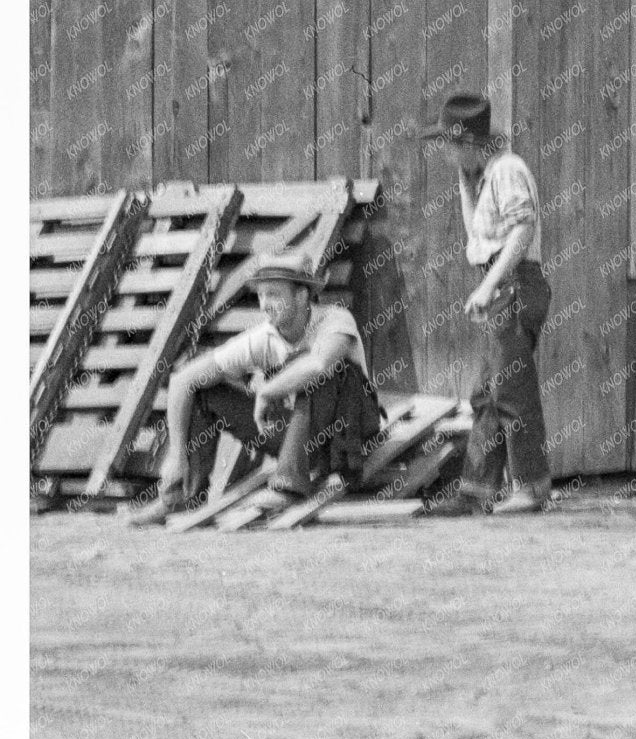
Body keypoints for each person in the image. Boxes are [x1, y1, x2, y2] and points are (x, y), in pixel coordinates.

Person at [126, 250, 383, 524]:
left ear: (302, 295)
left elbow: (319, 365)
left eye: (274, 294)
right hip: (299, 441)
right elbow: (183, 381)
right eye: (261, 295)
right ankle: (180, 498)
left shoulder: (335, 320)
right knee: (204, 390)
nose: (264, 305)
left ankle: (288, 487)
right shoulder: (265, 337)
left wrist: (267, 390)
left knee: (330, 371)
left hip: (347, 436)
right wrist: (177, 456)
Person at [430, 93, 556, 517]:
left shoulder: (507, 169)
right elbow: (476, 240)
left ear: (465, 142)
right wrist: (466, 185)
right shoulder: (483, 175)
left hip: (515, 285)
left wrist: (489, 287)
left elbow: (522, 230)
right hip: (501, 283)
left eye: (449, 146)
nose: (446, 155)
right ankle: (476, 490)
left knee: (512, 392)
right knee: (488, 394)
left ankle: (532, 486)